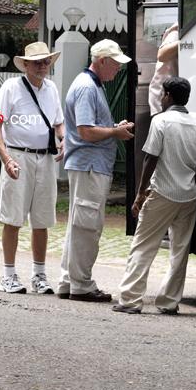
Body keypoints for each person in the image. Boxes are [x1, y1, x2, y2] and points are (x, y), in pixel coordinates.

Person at [113, 76, 196, 315]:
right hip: (189, 196)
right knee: (180, 249)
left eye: (163, 94)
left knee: (143, 245)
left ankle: (130, 299)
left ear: (168, 96)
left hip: (163, 193)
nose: (161, 98)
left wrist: (140, 194)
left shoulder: (161, 121)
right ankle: (169, 301)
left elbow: (151, 157)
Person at [58, 40, 133, 302]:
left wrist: (112, 127)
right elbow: (86, 130)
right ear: (101, 61)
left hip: (88, 164)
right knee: (87, 226)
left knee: (79, 224)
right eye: (115, 65)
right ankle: (82, 284)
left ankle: (70, 280)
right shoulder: (87, 87)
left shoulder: (89, 85)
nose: (117, 70)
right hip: (90, 165)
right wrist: (114, 131)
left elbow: (88, 127)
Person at [0, 42, 65, 295]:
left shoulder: (51, 88)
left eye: (46, 61)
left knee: (42, 220)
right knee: (12, 218)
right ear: (25, 65)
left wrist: (63, 139)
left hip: (44, 158)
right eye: (37, 62)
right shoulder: (11, 87)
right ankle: (8, 275)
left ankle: (39, 275)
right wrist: (6, 158)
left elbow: (58, 122)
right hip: (18, 156)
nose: (43, 66)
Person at [148, 23, 179, 115]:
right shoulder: (175, 32)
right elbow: (161, 55)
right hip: (162, 96)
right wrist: (184, 41)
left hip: (171, 96)